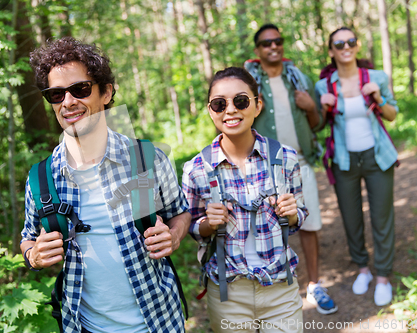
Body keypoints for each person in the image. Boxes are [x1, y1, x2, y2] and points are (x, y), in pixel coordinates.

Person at [20, 37, 191, 333]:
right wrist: (33, 255)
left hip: (159, 321)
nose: (69, 102)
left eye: (80, 89)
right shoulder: (41, 178)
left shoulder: (147, 159)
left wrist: (173, 237)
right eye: (56, 95)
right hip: (83, 326)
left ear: (106, 93)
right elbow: (27, 238)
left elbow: (181, 213)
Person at [183, 67, 306, 333]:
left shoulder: (285, 158)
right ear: (210, 110)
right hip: (227, 293)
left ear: (257, 105)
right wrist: (208, 223)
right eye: (219, 104)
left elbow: (298, 217)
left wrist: (293, 214)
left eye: (240, 101)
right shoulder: (196, 169)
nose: (230, 110)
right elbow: (191, 226)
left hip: (280, 288)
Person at [244, 23, 338, 315]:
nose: (273, 46)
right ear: (258, 51)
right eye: (266, 43)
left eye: (278, 41)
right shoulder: (250, 84)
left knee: (308, 226)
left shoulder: (299, 79)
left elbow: (317, 125)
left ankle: (314, 285)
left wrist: (311, 107)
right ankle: (274, 292)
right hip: (261, 167)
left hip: (300, 163)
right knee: (263, 229)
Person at [315, 27, 398, 306]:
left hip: (377, 158)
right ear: (331, 50)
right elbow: (318, 125)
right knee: (351, 219)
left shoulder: (376, 78)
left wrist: (379, 97)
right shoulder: (324, 85)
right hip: (344, 161)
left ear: (357, 45)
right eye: (339, 43)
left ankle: (383, 276)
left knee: (382, 216)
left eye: (351, 41)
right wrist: (323, 108)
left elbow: (392, 114)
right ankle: (363, 269)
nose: (345, 47)